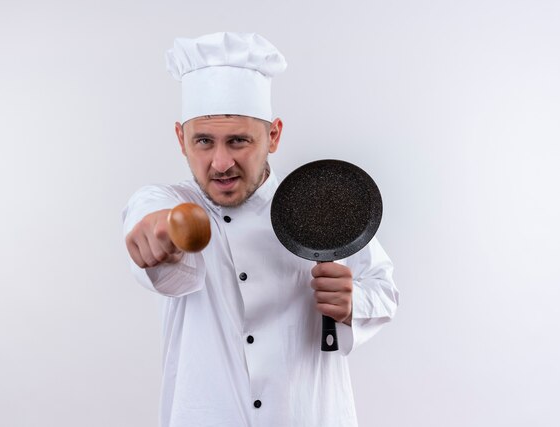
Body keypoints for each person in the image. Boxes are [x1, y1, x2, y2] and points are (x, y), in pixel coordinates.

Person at [122, 32, 399, 427]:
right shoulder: (164, 202)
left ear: (273, 135)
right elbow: (150, 221)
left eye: (238, 141)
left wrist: (355, 301)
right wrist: (158, 234)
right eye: (203, 141)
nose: (220, 163)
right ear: (181, 139)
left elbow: (384, 288)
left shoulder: (316, 201)